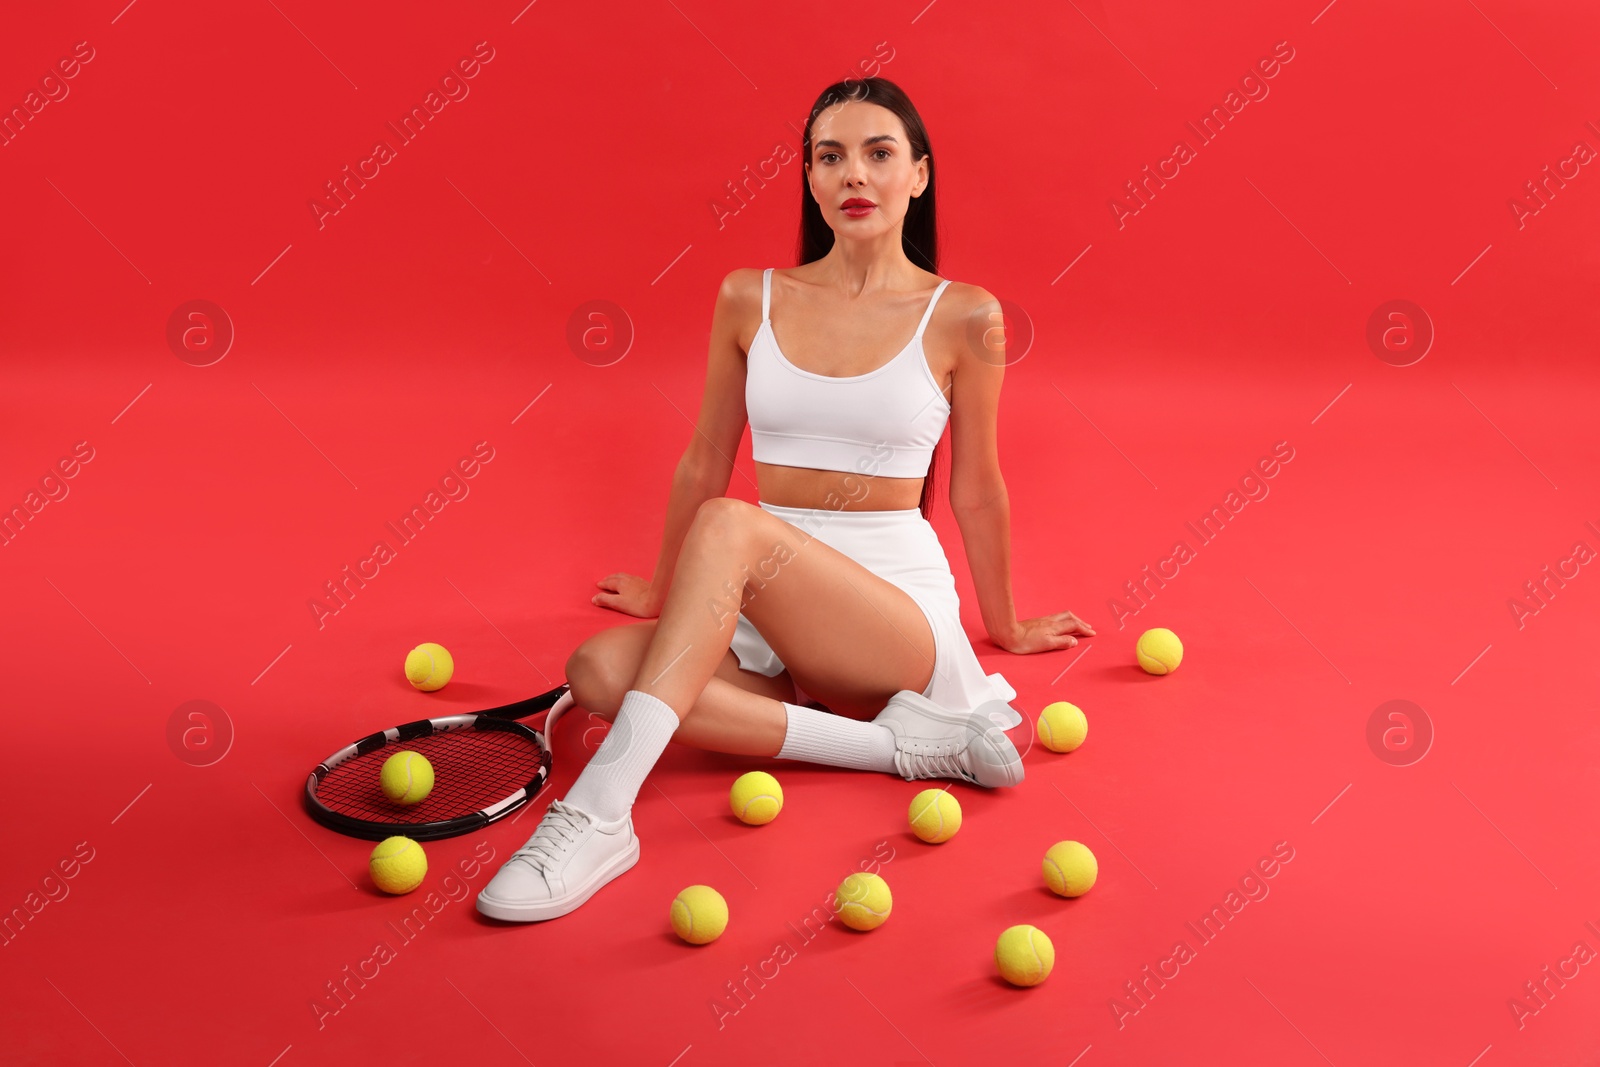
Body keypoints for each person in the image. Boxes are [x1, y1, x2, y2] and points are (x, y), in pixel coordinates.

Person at [476, 77, 1095, 923]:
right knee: (596, 671)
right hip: (765, 608)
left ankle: (598, 814)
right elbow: (705, 458)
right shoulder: (748, 296)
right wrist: (664, 591)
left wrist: (1009, 624)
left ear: (919, 175)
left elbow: (977, 491)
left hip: (890, 616)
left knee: (728, 525)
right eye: (831, 156)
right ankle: (895, 748)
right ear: (809, 178)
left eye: (880, 154)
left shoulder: (964, 315)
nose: (856, 176)